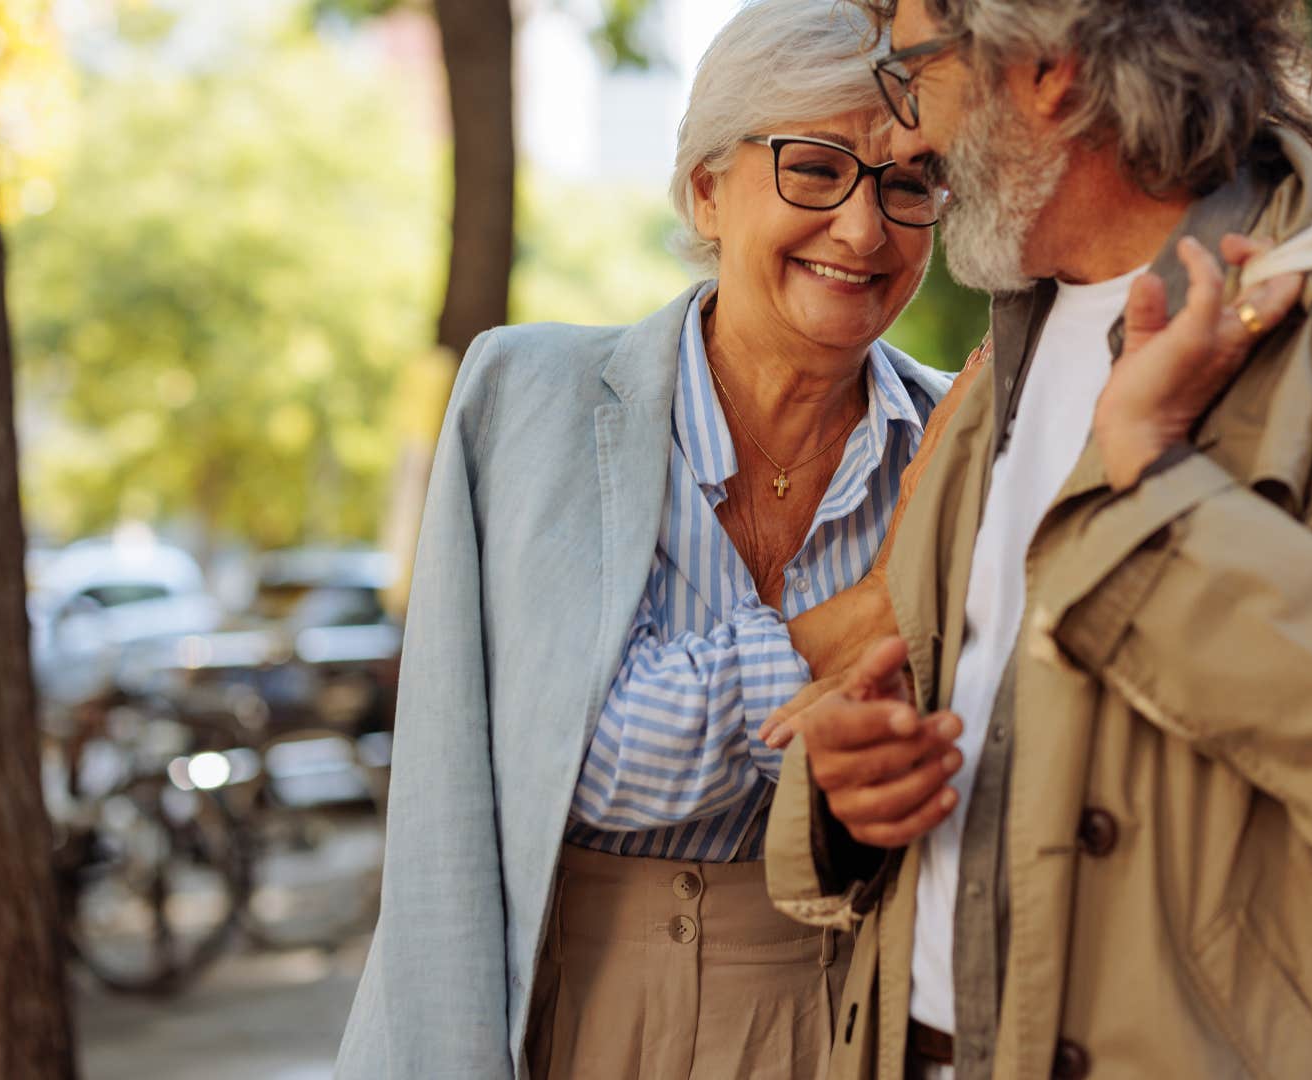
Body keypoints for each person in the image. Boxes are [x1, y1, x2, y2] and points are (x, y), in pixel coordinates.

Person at [760, 0, 1312, 1077]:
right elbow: (967, 719)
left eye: (916, 74)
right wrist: (851, 793)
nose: (901, 136)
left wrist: (1151, 478)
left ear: (1050, 73)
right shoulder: (1001, 359)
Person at [332, 1, 961, 1075]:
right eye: (814, 168)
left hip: (856, 1014)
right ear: (709, 188)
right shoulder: (525, 400)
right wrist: (864, 615)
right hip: (568, 1011)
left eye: (908, 183)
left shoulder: (963, 443)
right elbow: (579, 758)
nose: (865, 230)